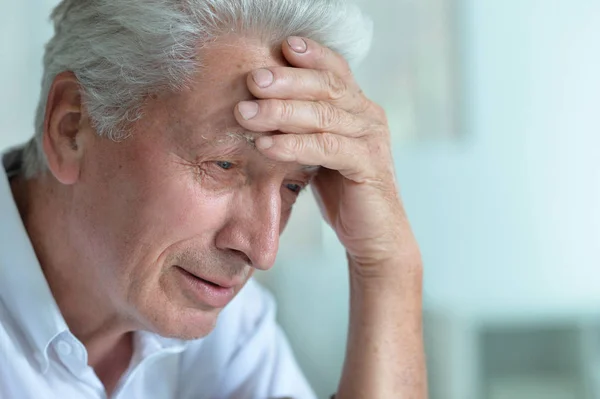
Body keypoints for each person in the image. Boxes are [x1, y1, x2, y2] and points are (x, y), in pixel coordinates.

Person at [0, 0, 426, 398]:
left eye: (293, 186)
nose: (262, 250)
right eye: (223, 165)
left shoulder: (226, 322)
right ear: (72, 127)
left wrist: (386, 266)